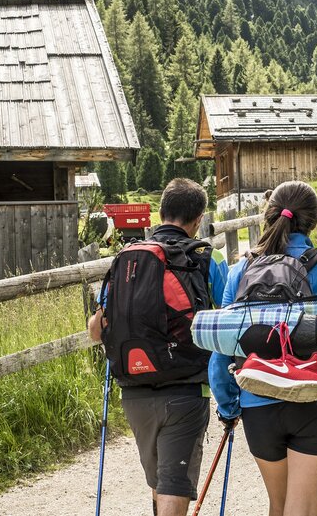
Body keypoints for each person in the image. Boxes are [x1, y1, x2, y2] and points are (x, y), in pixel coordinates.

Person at [209, 180, 317, 516]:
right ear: (313, 221)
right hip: (314, 401)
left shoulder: (242, 270)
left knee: (279, 506)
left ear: (270, 216)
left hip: (257, 404)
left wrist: (229, 407)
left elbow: (222, 349)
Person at [88, 178, 228, 516]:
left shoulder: (127, 258)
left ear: (160, 212)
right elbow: (228, 324)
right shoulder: (208, 257)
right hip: (185, 391)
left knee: (159, 484)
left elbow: (96, 330)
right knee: (174, 487)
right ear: (198, 219)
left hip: (134, 390)